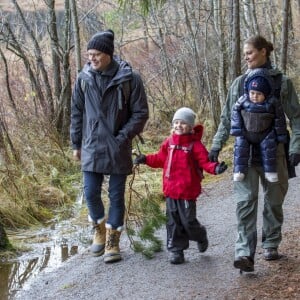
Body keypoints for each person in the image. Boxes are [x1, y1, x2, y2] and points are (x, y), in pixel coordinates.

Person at [209, 35, 300, 273]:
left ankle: (271, 243)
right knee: (245, 202)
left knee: (274, 201)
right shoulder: (240, 83)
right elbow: (227, 118)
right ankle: (244, 253)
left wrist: (296, 147)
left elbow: (297, 118)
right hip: (244, 154)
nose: (246, 57)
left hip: (276, 153)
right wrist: (216, 146)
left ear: (263, 52)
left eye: (249, 52)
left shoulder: (283, 83)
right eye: (245, 53)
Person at [70, 29, 149, 263]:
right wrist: (76, 143)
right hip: (91, 145)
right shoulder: (83, 79)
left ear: (108, 54)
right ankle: (99, 229)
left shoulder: (130, 78)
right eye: (89, 54)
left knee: (116, 196)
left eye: (96, 54)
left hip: (118, 146)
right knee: (91, 192)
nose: (91, 58)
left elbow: (141, 113)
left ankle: (113, 240)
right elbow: (76, 113)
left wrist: (122, 137)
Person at [133, 107, 228, 264]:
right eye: (176, 123)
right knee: (173, 221)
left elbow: (205, 162)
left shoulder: (195, 145)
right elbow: (159, 159)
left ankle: (200, 235)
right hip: (171, 190)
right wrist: (145, 159)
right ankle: (176, 250)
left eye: (183, 123)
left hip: (187, 191)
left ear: (190, 126)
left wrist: (216, 168)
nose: (178, 126)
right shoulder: (169, 143)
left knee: (188, 222)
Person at [230, 68, 288, 183]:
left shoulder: (272, 102)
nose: (254, 96)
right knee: (240, 148)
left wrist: (281, 135)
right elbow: (234, 112)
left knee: (270, 149)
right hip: (246, 133)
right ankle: (239, 171)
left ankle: (270, 171)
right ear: (248, 91)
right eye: (252, 93)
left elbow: (279, 118)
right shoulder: (243, 100)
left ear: (265, 94)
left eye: (259, 94)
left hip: (265, 133)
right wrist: (236, 128)